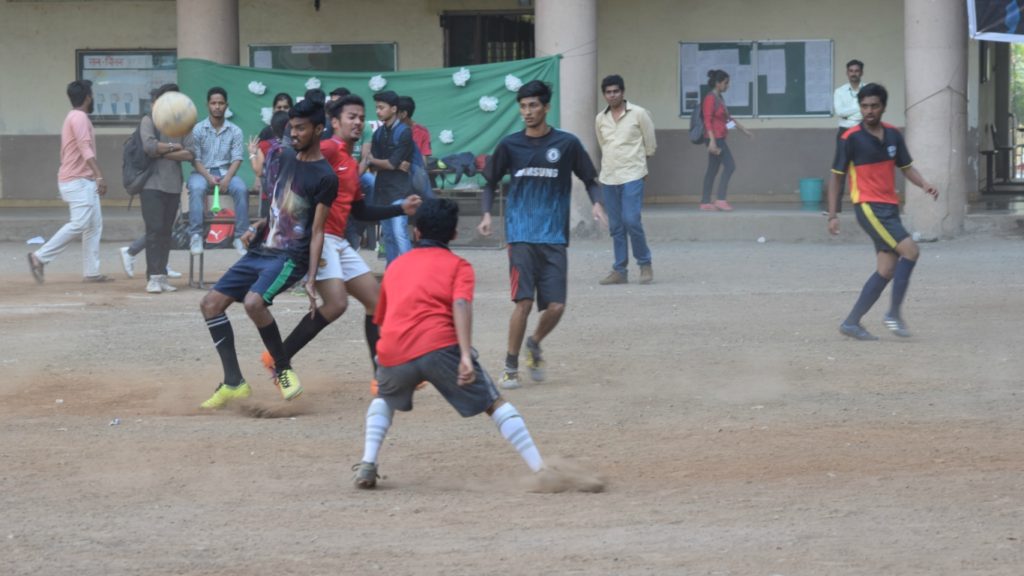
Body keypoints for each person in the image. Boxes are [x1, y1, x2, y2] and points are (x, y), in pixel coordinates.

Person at [352, 198, 546, 489]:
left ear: (416, 232)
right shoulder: (459, 266)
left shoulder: (396, 266)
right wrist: (465, 356)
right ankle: (541, 469)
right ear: (453, 235)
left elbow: (380, 318)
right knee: (494, 404)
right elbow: (460, 304)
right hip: (439, 348)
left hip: (394, 350)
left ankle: (368, 463)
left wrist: (387, 360)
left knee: (384, 398)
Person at [261, 94, 422, 389]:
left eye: (362, 117)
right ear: (333, 122)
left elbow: (359, 211)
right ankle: (278, 358)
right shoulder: (327, 149)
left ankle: (382, 377)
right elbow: (290, 169)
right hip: (318, 239)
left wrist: (401, 208)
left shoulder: (348, 160)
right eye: (351, 117)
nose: (358, 122)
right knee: (336, 304)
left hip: (337, 240)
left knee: (376, 302)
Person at [197, 99, 337, 409]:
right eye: (292, 127)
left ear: (318, 129)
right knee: (210, 304)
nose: (294, 133)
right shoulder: (284, 156)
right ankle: (233, 382)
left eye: (301, 128)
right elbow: (278, 207)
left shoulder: (325, 176)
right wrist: (258, 228)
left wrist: (311, 279)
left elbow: (316, 231)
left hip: (291, 257)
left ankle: (283, 369)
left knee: (253, 302)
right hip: (263, 249)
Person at [477, 80, 608, 390]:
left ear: (546, 107)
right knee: (523, 302)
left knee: (557, 306)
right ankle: (510, 367)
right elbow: (489, 182)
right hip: (521, 234)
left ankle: (534, 343)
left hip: (553, 236)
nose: (528, 112)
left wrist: (598, 204)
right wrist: (485, 214)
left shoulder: (567, 144)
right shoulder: (510, 145)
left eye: (533, 105)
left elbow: (590, 178)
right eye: (523, 106)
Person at [827, 83, 938, 340]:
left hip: (889, 206)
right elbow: (836, 179)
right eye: (864, 106)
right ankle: (893, 314)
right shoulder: (849, 138)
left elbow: (906, 167)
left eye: (874, 105)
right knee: (911, 250)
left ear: (883, 107)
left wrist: (925, 184)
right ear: (860, 107)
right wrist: (833, 215)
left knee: (887, 269)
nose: (869, 110)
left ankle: (851, 323)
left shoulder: (893, 134)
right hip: (867, 206)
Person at [28, 79, 111, 284]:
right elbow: (85, 148)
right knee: (81, 223)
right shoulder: (80, 118)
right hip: (78, 180)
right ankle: (39, 257)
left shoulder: (74, 117)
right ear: (88, 97)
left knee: (93, 226)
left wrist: (94, 177)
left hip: (83, 181)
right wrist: (99, 175)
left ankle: (92, 272)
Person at [594, 74, 657, 286]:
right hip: (609, 176)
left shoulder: (639, 113)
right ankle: (619, 270)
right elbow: (603, 145)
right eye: (608, 92)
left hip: (633, 174)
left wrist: (641, 167)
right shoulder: (600, 118)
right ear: (604, 94)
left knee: (631, 219)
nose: (612, 95)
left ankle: (645, 263)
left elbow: (650, 144)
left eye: (616, 91)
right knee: (616, 225)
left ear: (623, 92)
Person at [137, 83, 194, 293]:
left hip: (173, 185)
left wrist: (163, 151)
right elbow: (149, 147)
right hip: (151, 184)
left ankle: (161, 275)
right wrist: (175, 147)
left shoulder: (185, 124)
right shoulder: (149, 120)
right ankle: (153, 276)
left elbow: (190, 153)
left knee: (166, 232)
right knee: (154, 230)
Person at [187, 86, 249, 256]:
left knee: (241, 189)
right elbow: (195, 159)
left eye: (221, 103)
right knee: (196, 188)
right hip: (201, 172)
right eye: (213, 103)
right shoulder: (198, 129)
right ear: (207, 105)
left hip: (226, 173)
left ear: (226, 105)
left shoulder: (235, 130)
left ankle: (240, 236)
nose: (217, 107)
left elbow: (237, 158)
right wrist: (207, 177)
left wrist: (228, 178)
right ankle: (196, 235)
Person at [364, 90, 415, 265]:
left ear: (394, 109)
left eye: (381, 107)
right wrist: (382, 162)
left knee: (399, 232)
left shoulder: (405, 132)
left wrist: (377, 161)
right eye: (377, 107)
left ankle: (410, 271)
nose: (378, 111)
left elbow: (390, 163)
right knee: (388, 235)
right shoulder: (378, 133)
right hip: (382, 190)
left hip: (400, 190)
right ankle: (392, 271)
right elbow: (376, 164)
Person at [700, 69, 753, 212]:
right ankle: (721, 200)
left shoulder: (720, 99)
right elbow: (707, 120)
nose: (727, 86)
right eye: (725, 83)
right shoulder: (710, 98)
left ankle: (705, 202)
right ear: (717, 83)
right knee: (730, 166)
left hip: (719, 137)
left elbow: (726, 120)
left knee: (713, 169)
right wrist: (711, 141)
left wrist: (743, 130)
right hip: (715, 139)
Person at [831, 59, 865, 213]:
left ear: (861, 72)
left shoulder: (868, 89)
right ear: (847, 73)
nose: (854, 74)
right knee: (840, 168)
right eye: (851, 71)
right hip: (845, 130)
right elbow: (840, 112)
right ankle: (835, 208)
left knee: (864, 167)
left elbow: (868, 111)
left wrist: (850, 112)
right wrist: (859, 107)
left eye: (857, 71)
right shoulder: (839, 91)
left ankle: (865, 205)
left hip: (863, 130)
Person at [247, 110, 291, 217]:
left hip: (269, 196)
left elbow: (258, 171)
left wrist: (252, 154)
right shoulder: (295, 145)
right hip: (291, 197)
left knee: (268, 228)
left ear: (272, 127)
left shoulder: (265, 145)